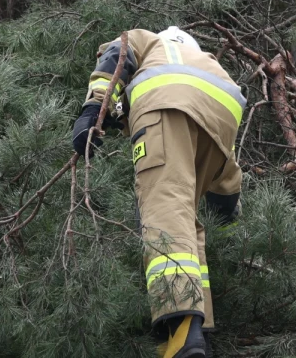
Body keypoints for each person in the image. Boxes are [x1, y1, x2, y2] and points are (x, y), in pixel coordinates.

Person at [71, 26, 244, 358]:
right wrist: (226, 209)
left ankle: (181, 330)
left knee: (164, 202)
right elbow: (226, 182)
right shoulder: (207, 63)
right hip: (222, 119)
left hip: (164, 105)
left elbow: (116, 56)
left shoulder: (147, 40)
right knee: (187, 220)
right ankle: (200, 334)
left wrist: (94, 109)